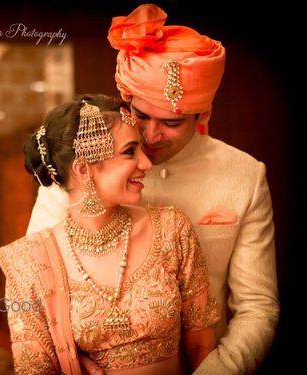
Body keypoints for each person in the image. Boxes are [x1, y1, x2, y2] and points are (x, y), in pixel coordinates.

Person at [26, 4, 279, 375]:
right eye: (139, 115)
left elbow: (258, 306)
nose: (150, 135)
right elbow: (34, 282)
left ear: (203, 114)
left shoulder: (243, 175)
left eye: (171, 122)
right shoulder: (77, 166)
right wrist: (68, 358)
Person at [0, 94, 220, 374]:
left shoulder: (173, 230)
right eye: (129, 151)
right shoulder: (29, 263)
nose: (146, 164)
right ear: (83, 169)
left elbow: (202, 348)